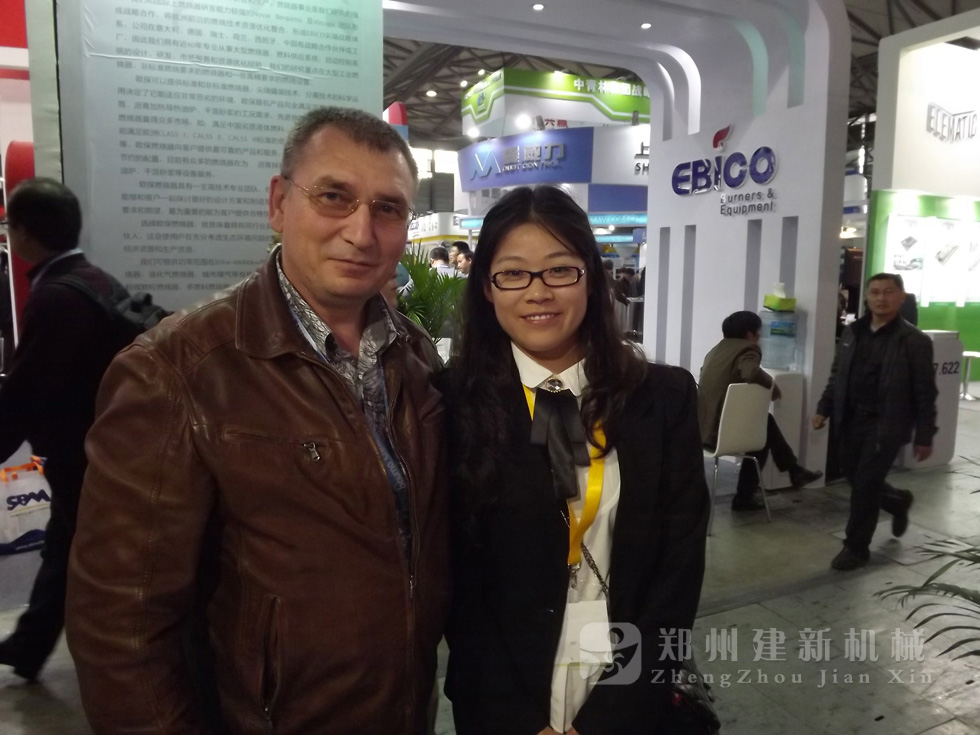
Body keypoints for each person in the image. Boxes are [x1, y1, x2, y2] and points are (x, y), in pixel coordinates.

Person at [65, 107, 450, 733]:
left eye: (388, 208)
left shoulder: (413, 355)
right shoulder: (177, 371)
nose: (361, 232)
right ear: (278, 203)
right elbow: (120, 624)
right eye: (334, 196)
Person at [442, 185, 710, 734]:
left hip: (627, 682)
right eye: (513, 273)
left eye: (560, 270)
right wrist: (519, 721)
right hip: (506, 694)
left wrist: (614, 715)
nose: (538, 291)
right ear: (487, 288)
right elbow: (455, 580)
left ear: (591, 276)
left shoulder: (664, 397)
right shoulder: (448, 403)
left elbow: (678, 568)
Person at [0, 178, 128, 681]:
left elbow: (26, 390)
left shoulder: (55, 297)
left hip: (80, 449)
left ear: (25, 233)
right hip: (105, 443)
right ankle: (30, 644)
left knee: (80, 544)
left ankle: (112, 655)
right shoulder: (97, 280)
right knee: (69, 540)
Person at [813, 273, 937, 571]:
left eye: (889, 292)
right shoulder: (852, 332)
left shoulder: (914, 340)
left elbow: (925, 391)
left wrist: (925, 435)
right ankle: (896, 501)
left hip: (887, 424)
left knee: (865, 486)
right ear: (867, 297)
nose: (882, 298)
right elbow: (837, 375)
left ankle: (856, 548)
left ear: (901, 297)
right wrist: (824, 408)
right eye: (876, 292)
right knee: (857, 479)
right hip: (850, 420)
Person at [698, 310, 823, 511]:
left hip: (701, 431)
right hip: (720, 435)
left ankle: (791, 471)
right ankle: (751, 493)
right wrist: (771, 385)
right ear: (750, 334)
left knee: (764, 423)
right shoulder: (748, 348)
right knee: (763, 429)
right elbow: (750, 372)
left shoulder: (715, 351)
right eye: (759, 333)